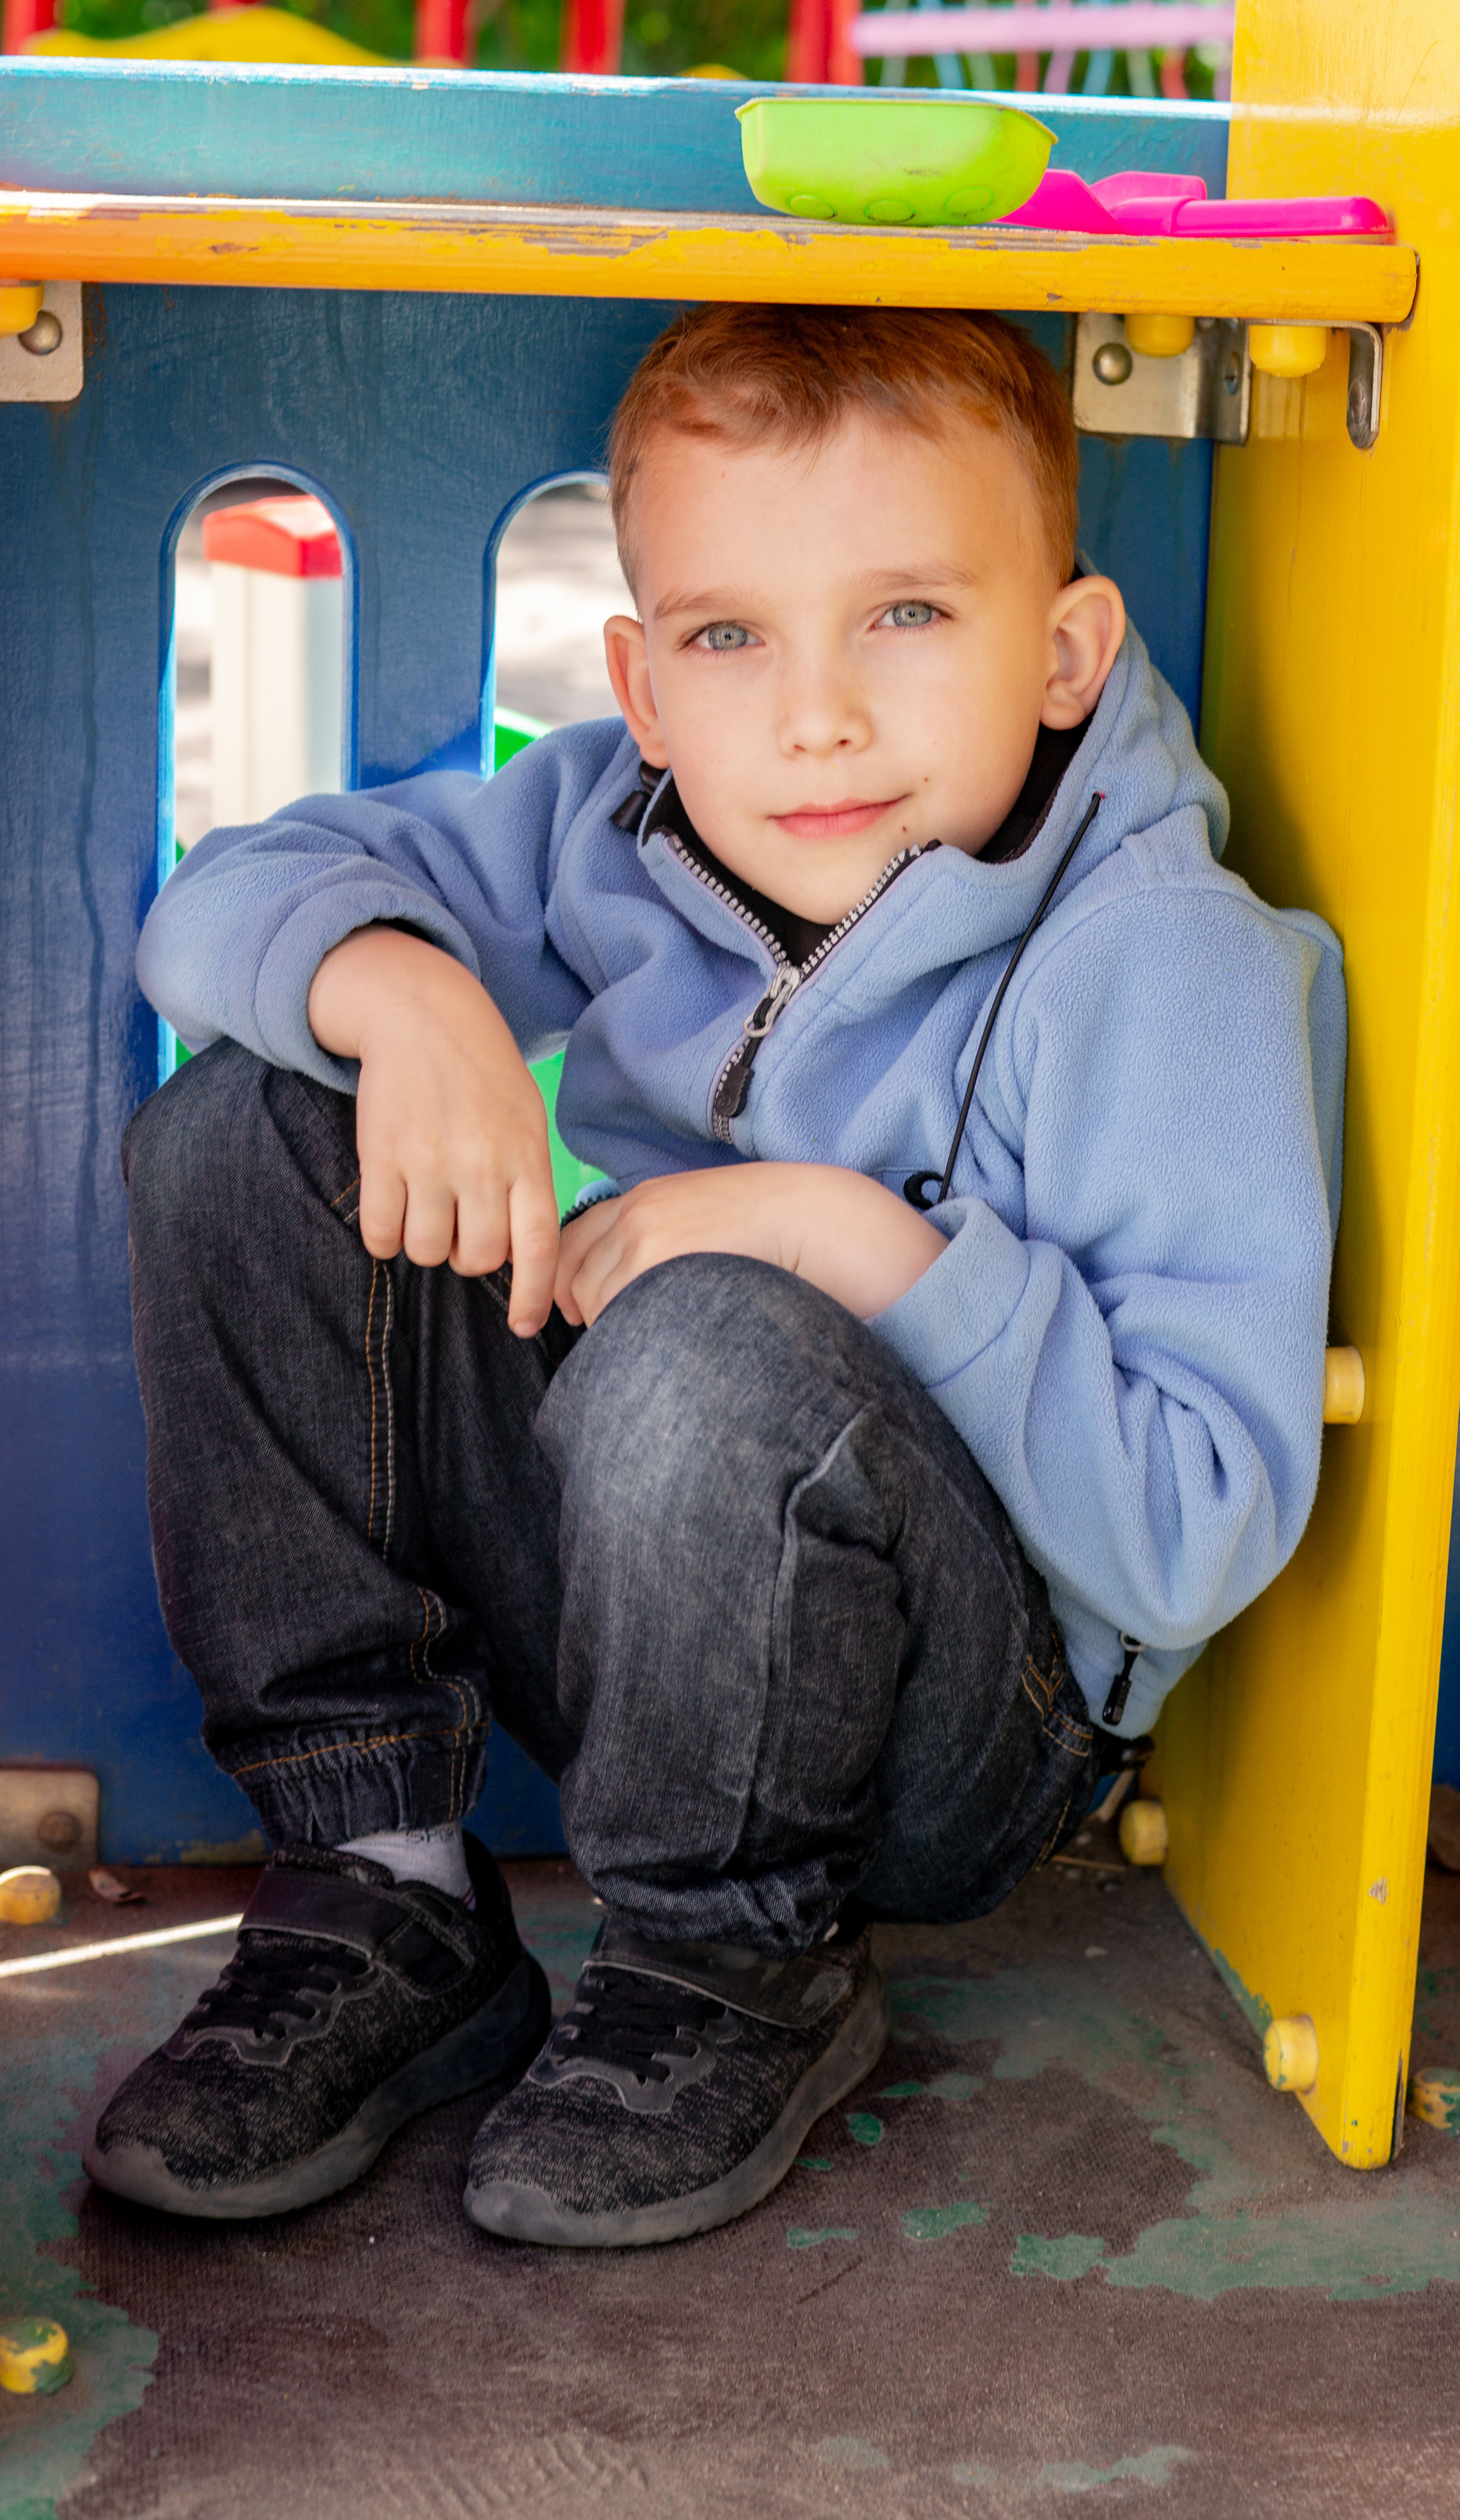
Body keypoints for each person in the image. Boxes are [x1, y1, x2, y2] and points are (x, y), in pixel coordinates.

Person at [88, 303, 1343, 2249]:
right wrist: (408, 993)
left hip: (947, 1735)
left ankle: (727, 1966)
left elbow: (1191, 1532)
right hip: (638, 1603)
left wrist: (851, 1239)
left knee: (712, 1337)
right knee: (248, 1129)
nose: (816, 715)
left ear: (1067, 650)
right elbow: (225, 901)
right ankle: (388, 1890)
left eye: (909, 615)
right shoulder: (623, 820)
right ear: (646, 685)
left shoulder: (1163, 956)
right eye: (731, 636)